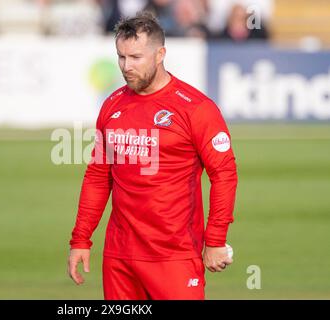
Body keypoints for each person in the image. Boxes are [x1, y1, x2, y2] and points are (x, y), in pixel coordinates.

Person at [67, 11, 237, 300]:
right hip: (119, 257)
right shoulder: (112, 105)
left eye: (135, 58)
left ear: (160, 54)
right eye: (121, 57)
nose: (126, 66)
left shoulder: (196, 108)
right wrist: (81, 239)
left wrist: (216, 239)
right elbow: (98, 176)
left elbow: (224, 174)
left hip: (175, 257)